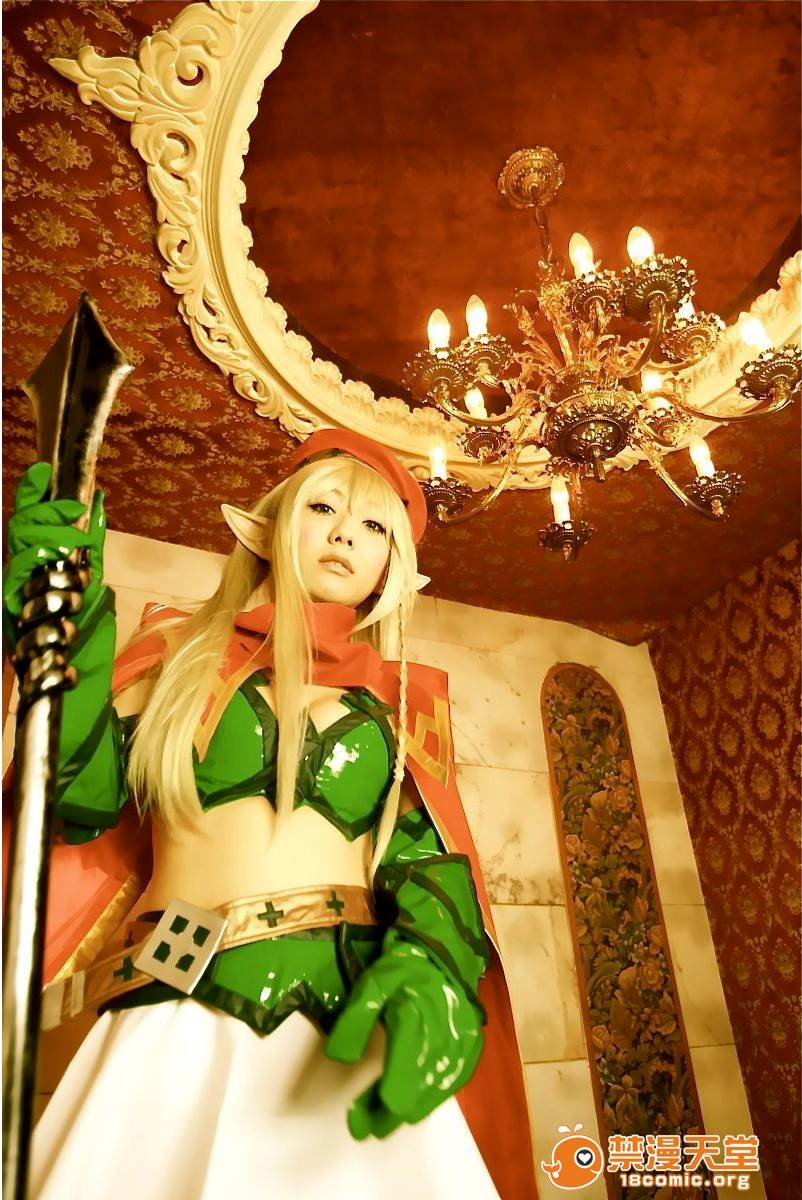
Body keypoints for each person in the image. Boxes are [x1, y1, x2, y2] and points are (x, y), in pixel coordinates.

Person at [2, 429, 536, 1199]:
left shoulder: (401, 706)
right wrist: (67, 630)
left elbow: (424, 862)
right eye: (323, 507)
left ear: (391, 568)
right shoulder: (173, 656)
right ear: (271, 525)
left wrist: (433, 968)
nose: (345, 533)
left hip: (352, 1015)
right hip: (176, 1007)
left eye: (374, 525)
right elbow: (75, 798)